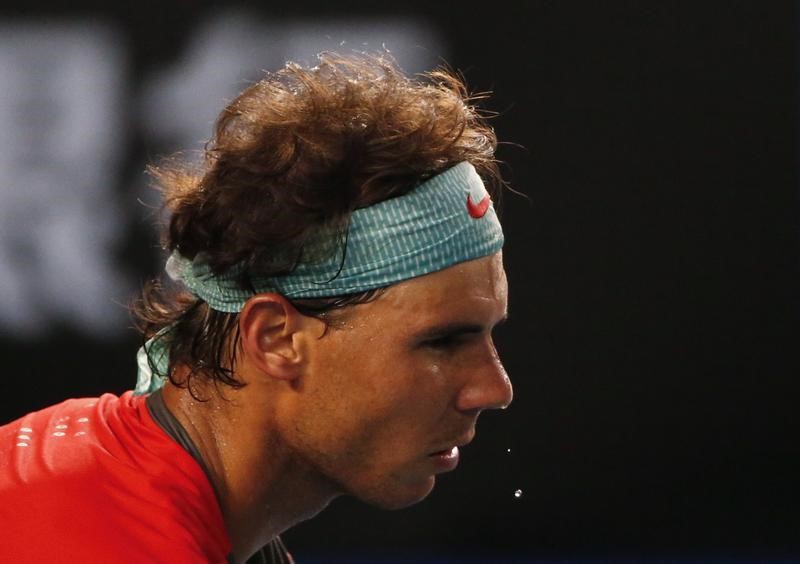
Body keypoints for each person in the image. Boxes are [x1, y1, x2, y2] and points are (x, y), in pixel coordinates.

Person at [0, 52, 513, 563]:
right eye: (442, 341)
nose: (494, 388)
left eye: (490, 335)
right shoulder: (110, 545)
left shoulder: (97, 468)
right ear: (276, 338)